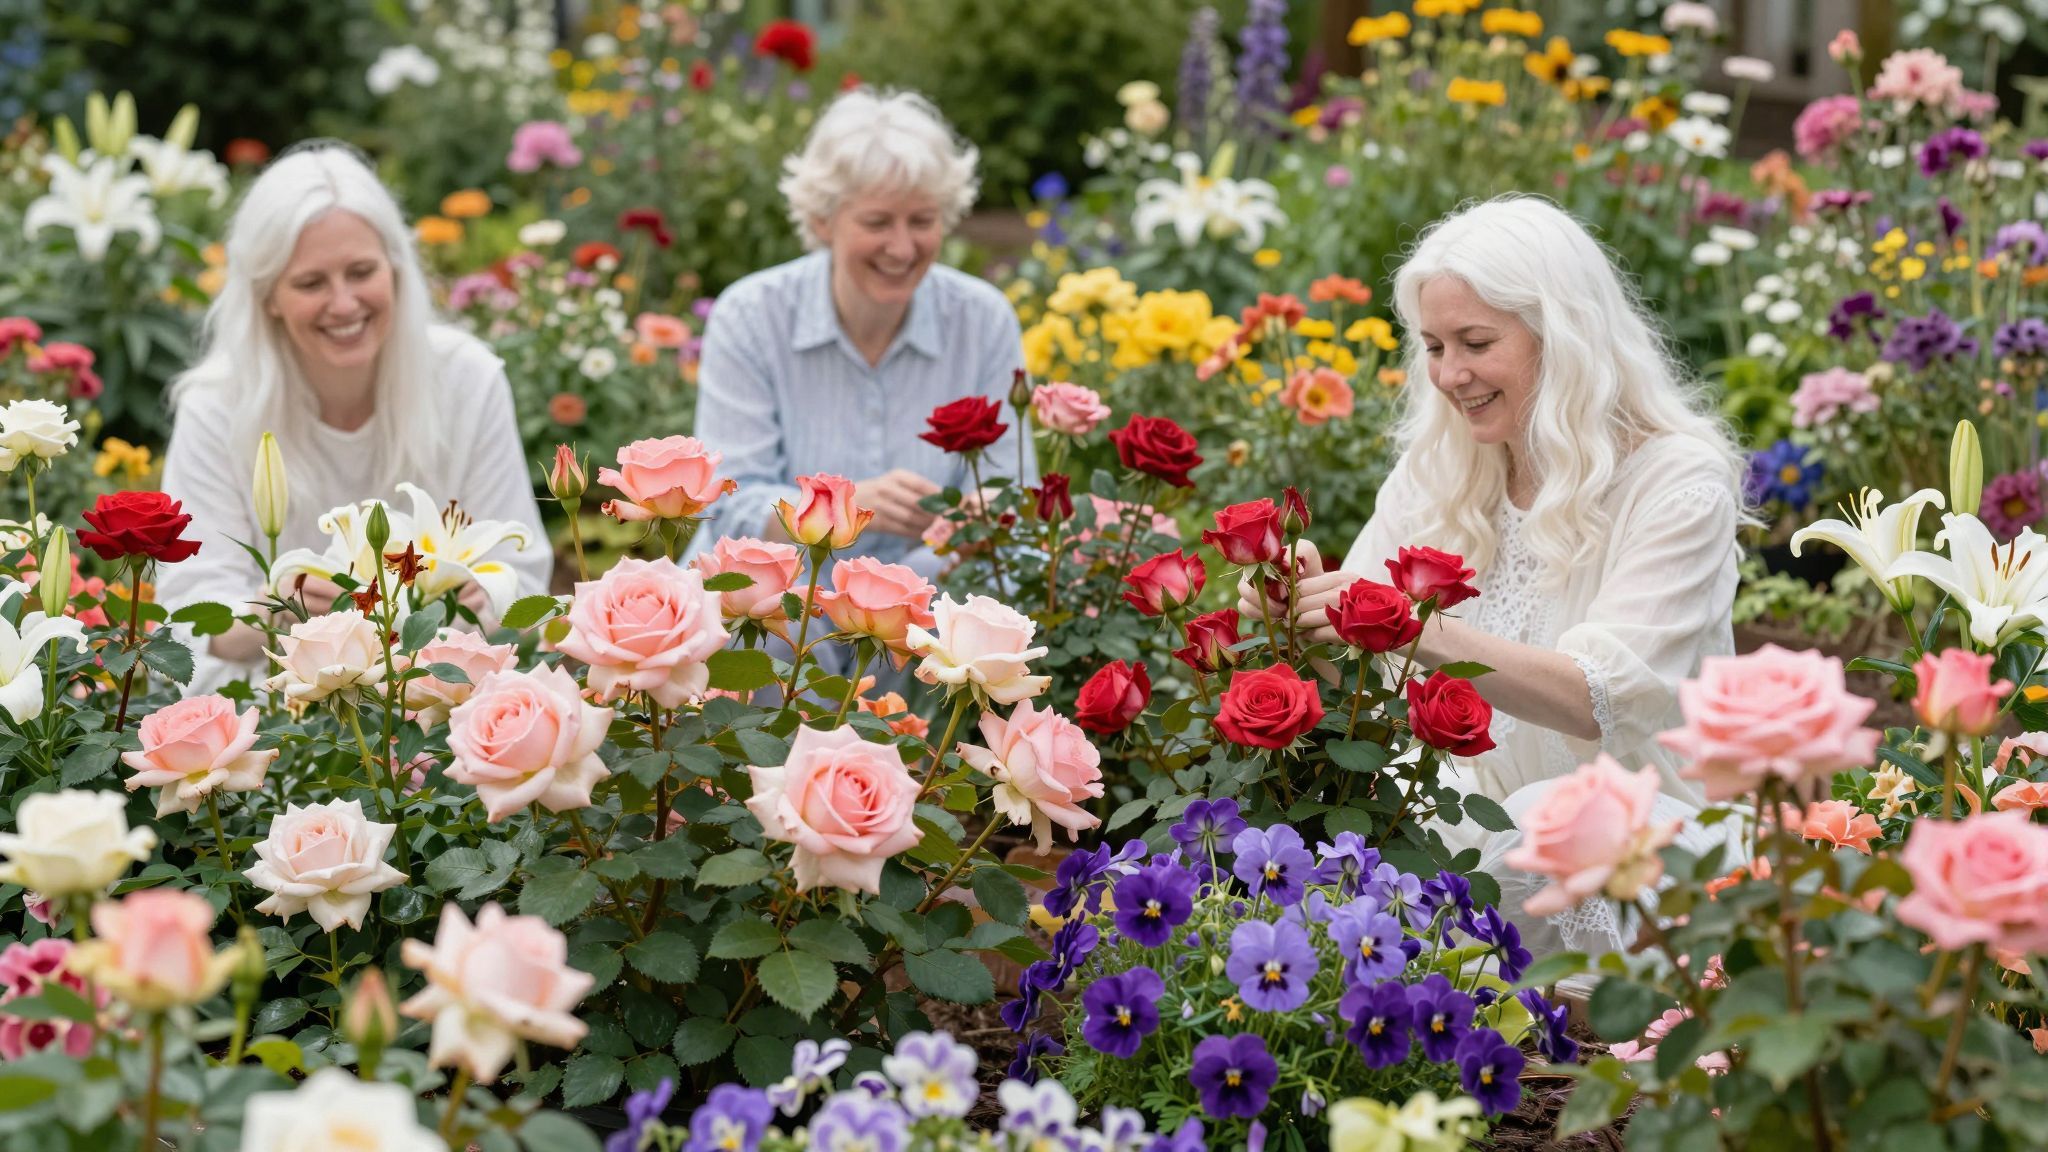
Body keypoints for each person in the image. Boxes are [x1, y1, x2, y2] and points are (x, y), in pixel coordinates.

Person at [1245, 195, 1748, 955]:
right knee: (1380, 817)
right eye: (1434, 346)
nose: (1449, 375)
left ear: (1565, 335)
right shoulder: (1442, 466)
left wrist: (1412, 624)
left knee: (1550, 818)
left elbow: (1598, 697)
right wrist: (1305, 612)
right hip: (1473, 815)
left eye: (1476, 342)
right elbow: (1364, 689)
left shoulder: (1677, 481)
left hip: (1637, 830)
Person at [157, 144, 549, 692]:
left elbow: (521, 572)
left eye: (361, 272)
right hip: (275, 717)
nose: (344, 305)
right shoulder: (216, 407)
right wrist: (280, 609)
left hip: (440, 703)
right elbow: (191, 612)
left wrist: (481, 599)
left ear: (396, 269)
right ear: (268, 295)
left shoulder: (468, 378)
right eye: (311, 283)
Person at [688, 87, 1033, 580]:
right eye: (877, 221)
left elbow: (1015, 487)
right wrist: (839, 508)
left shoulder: (983, 319)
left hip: (938, 584)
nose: (901, 247)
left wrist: (984, 515)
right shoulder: (750, 317)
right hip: (780, 593)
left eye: (922, 220)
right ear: (822, 221)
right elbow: (727, 501)